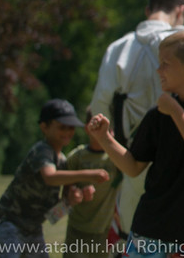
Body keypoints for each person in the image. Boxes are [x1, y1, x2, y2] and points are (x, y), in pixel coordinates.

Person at [89, 0, 184, 235]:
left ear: (148, 10)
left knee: (130, 234)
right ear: (181, 11)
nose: (160, 71)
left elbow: (100, 105)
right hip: (182, 189)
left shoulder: (117, 50)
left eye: (165, 65)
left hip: (145, 177)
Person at [0, 99, 110, 258]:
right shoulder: (41, 151)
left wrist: (72, 200)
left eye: (71, 127)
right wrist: (89, 173)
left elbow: (52, 216)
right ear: (44, 127)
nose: (67, 131)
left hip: (33, 228)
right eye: (62, 127)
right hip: (9, 222)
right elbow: (50, 177)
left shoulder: (62, 162)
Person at [64, 109, 121, 258]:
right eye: (97, 125)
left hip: (103, 233)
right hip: (77, 231)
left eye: (107, 126)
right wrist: (76, 194)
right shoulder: (76, 157)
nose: (103, 130)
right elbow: (64, 197)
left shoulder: (117, 158)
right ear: (87, 128)